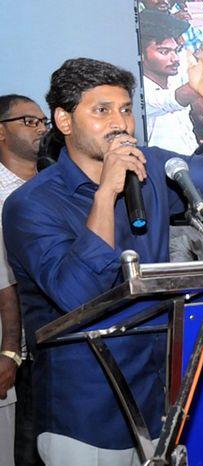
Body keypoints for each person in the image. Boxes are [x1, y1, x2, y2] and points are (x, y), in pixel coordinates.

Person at [2, 33, 203, 462]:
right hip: (85, 411)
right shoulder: (30, 205)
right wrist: (106, 194)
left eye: (126, 109)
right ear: (65, 120)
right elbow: (79, 296)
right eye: (102, 110)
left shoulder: (154, 167)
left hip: (159, 394)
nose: (120, 123)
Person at [0, 94, 47, 466]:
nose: (42, 128)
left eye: (43, 120)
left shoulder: (58, 185)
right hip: (20, 353)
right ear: (1, 132)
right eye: (29, 121)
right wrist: (11, 350)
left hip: (64, 339)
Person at [138, 10, 199, 155]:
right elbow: (172, 99)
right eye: (164, 52)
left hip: (191, 163)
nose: (175, 58)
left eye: (176, 51)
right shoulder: (137, 91)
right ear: (141, 56)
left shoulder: (176, 81)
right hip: (159, 174)